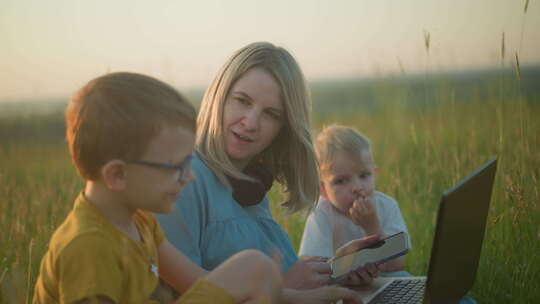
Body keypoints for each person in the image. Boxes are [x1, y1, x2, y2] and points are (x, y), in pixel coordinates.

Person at [157, 42, 380, 304]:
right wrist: (282, 290)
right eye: (242, 101)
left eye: (271, 114)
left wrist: (335, 270)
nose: (250, 123)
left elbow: (283, 278)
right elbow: (182, 297)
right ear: (220, 96)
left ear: (283, 129)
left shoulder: (251, 188)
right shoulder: (186, 177)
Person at [33, 72, 282, 304]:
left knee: (254, 267)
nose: (190, 177)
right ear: (117, 175)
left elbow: (194, 282)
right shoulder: (88, 247)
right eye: (175, 166)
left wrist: (278, 288)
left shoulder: (140, 222)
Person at [299, 125, 410, 275]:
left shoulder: (387, 206)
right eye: (341, 181)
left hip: (386, 281)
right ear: (323, 189)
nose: (357, 187)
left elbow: (398, 264)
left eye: (364, 175)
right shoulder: (321, 214)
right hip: (340, 288)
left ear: (375, 173)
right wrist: (343, 270)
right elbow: (312, 270)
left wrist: (372, 227)